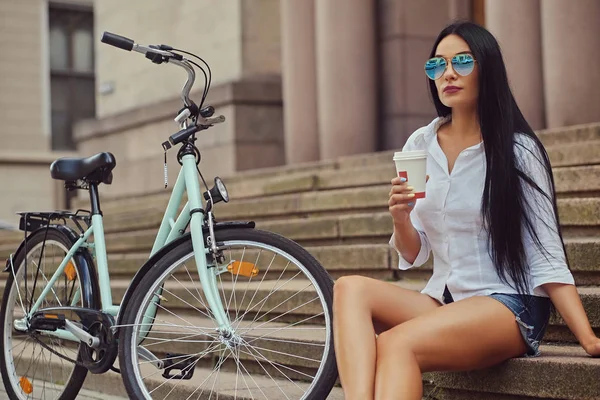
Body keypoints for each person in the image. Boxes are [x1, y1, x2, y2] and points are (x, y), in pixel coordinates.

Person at [332, 20, 600, 400]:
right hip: (446, 300)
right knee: (348, 288)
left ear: (486, 68)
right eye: (437, 65)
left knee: (396, 343)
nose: (448, 74)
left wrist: (587, 338)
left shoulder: (517, 151)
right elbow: (414, 252)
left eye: (462, 61)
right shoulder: (420, 144)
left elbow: (547, 255)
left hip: (508, 305)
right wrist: (400, 218)